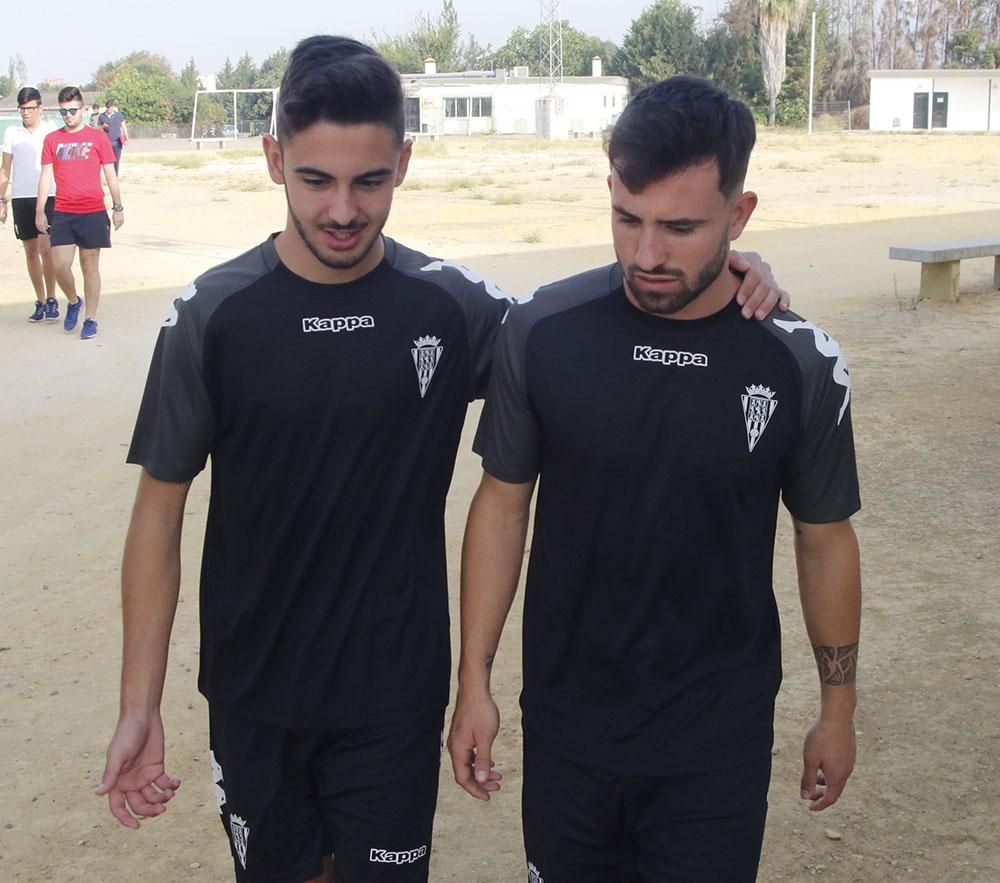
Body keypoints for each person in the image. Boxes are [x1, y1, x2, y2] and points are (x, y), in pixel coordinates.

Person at [96, 39, 787, 883]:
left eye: (370, 180)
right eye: (316, 179)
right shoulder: (213, 316)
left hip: (393, 693)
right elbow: (158, 510)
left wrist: (729, 272)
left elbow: (593, 326)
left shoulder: (452, 308)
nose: (344, 208)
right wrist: (140, 704)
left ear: (405, 162)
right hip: (254, 691)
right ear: (274, 158)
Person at [448, 75, 862, 883]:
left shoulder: (799, 361)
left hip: (717, 739)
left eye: (680, 228)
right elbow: (502, 504)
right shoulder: (543, 331)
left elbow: (824, 540)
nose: (646, 253)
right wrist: (475, 683)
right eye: (626, 218)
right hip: (571, 729)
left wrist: (837, 711)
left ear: (739, 217)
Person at [36, 86, 124, 340]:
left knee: (90, 265)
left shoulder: (97, 138)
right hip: (63, 211)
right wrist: (40, 210)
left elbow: (110, 174)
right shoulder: (52, 140)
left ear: (82, 110)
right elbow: (46, 175)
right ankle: (74, 301)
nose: (68, 115)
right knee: (59, 264)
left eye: (72, 110)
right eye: (63, 111)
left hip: (93, 210)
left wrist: (118, 207)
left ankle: (91, 318)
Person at [0, 86, 73, 322]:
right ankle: (40, 300)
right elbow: (5, 169)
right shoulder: (12, 133)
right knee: (31, 251)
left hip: (48, 195)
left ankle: (52, 298)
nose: (26, 113)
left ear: (40, 108)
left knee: (46, 249)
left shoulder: (50, 131)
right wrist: (2, 199)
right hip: (22, 198)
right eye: (22, 109)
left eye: (30, 109)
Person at [97, 98, 128, 174]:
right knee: (108, 161)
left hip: (117, 141)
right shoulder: (102, 116)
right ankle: (110, 175)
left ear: (113, 107)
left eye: (110, 108)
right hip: (107, 141)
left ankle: (115, 175)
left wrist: (126, 137)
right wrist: (102, 126)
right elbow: (97, 129)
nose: (109, 109)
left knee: (117, 159)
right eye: (107, 108)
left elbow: (123, 126)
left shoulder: (119, 115)